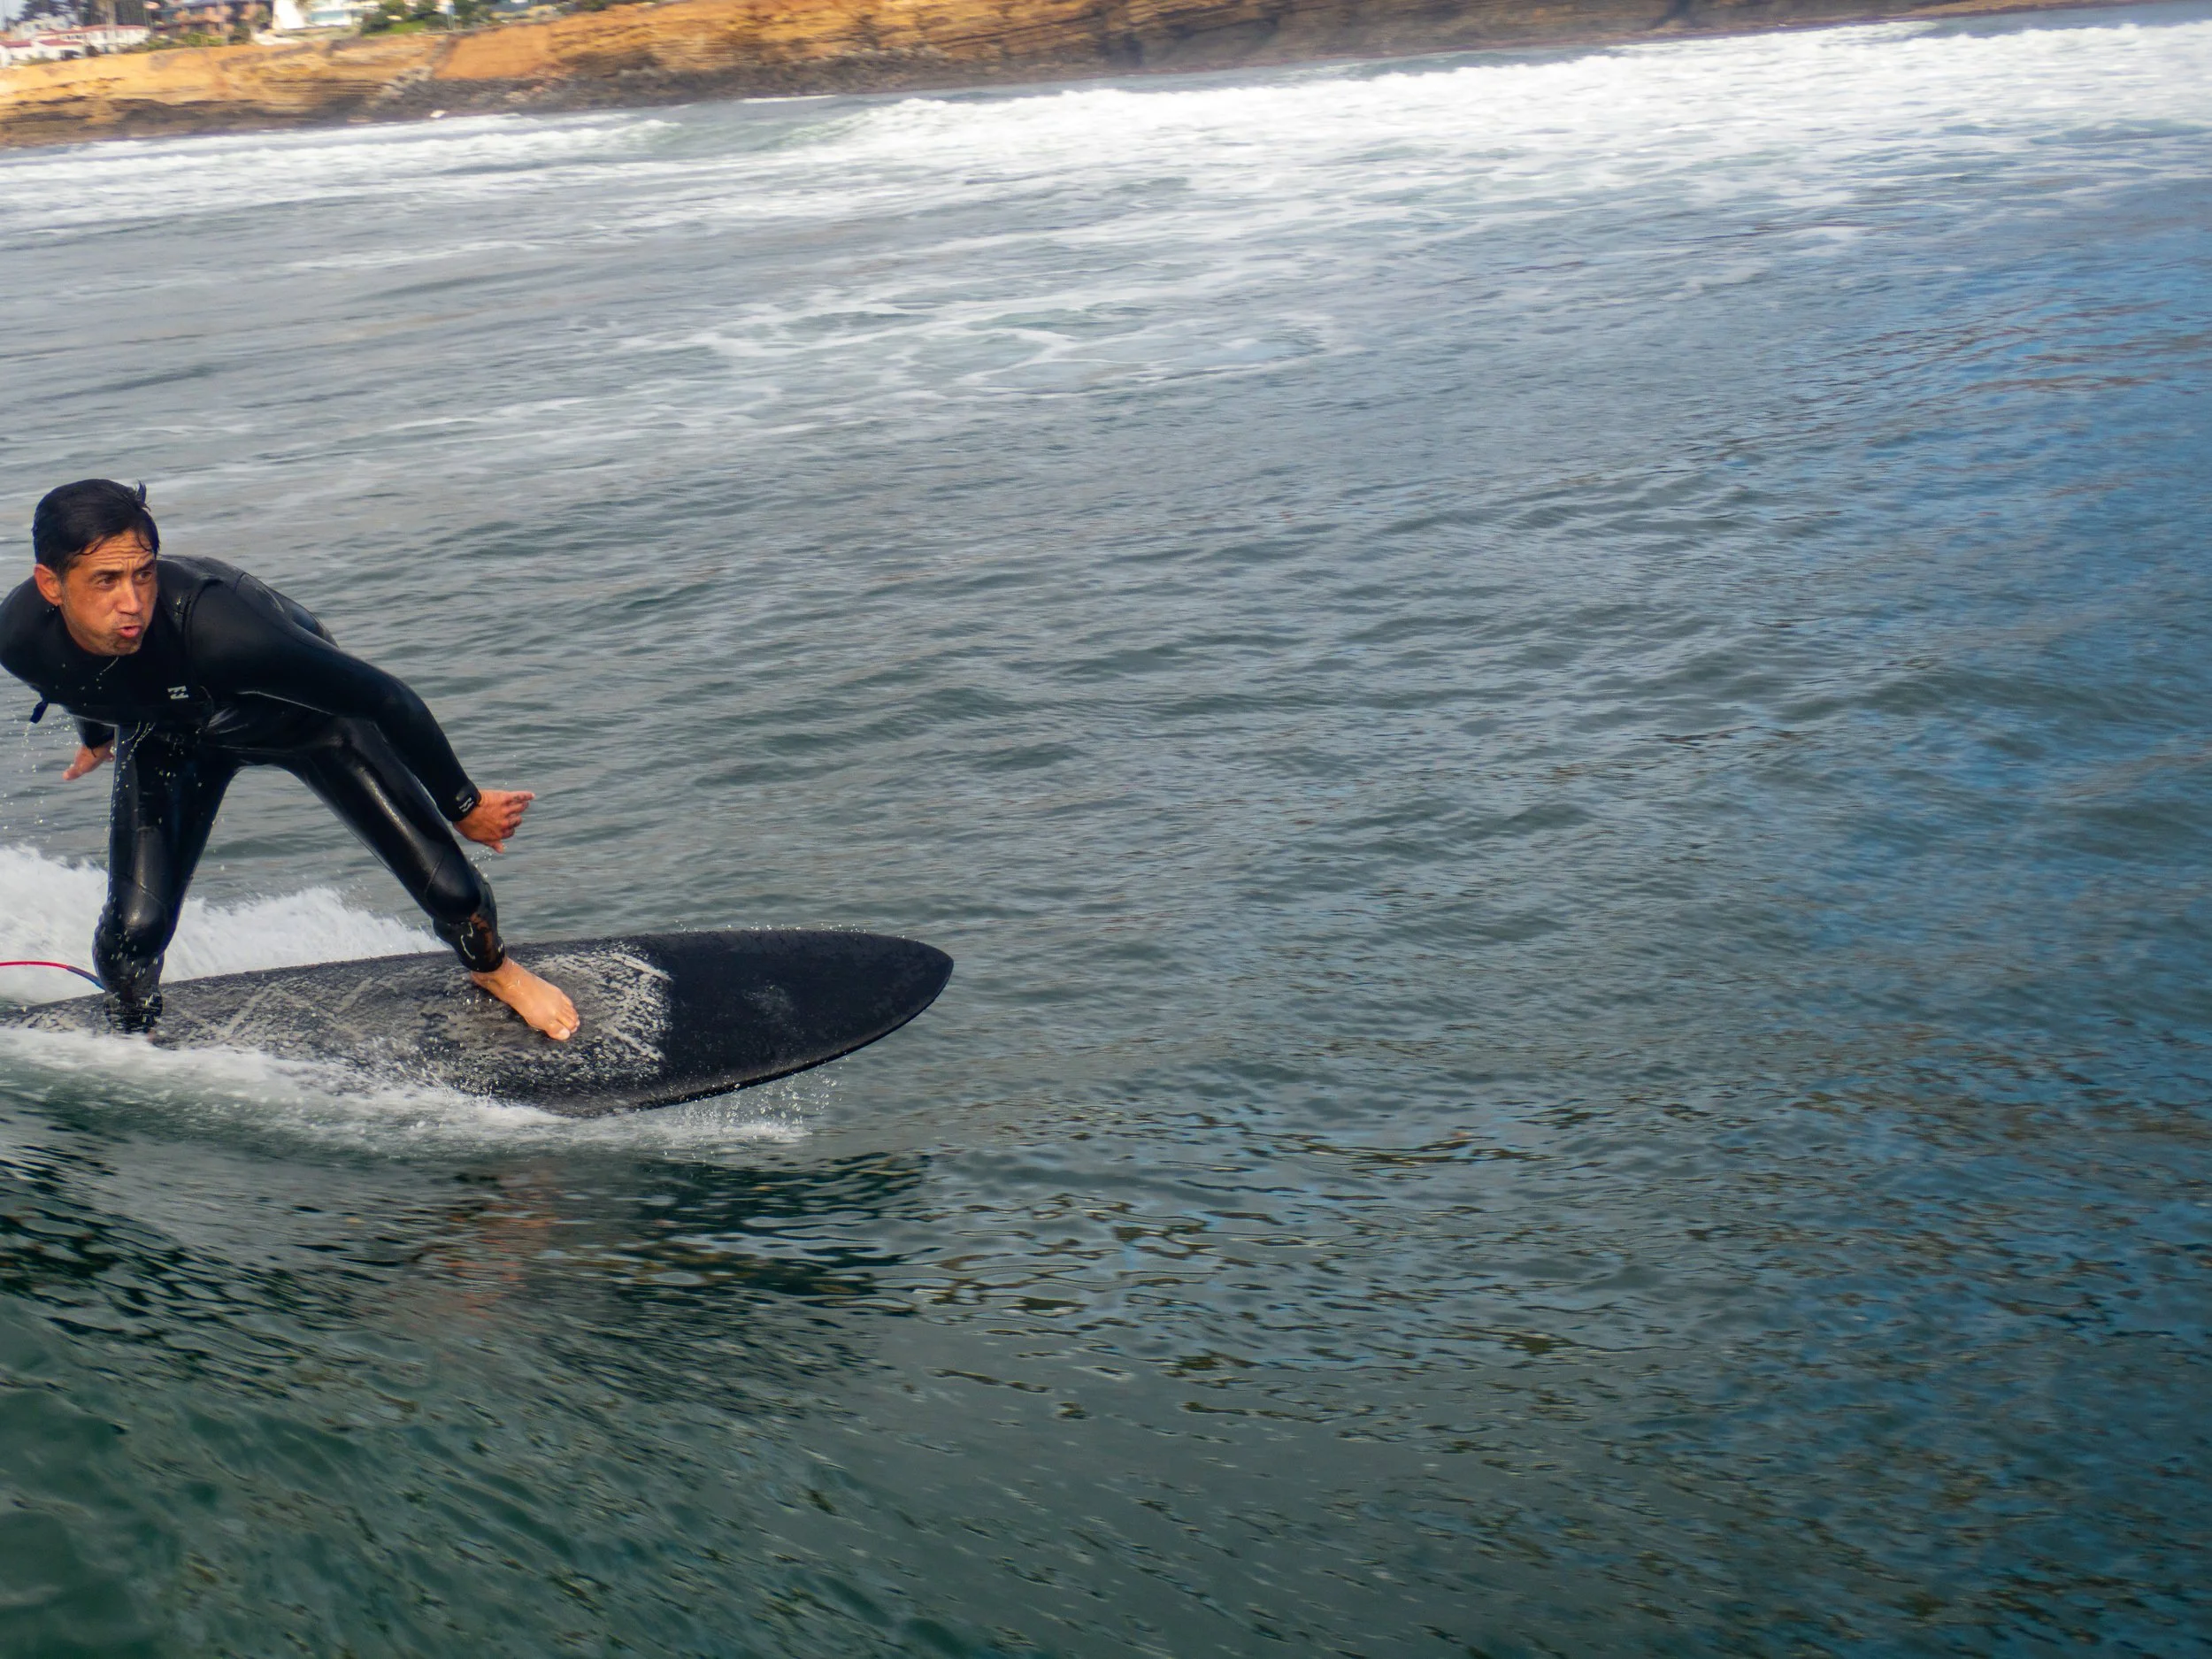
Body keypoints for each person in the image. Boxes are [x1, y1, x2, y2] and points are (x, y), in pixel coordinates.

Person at [0, 479, 579, 1041]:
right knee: (131, 937)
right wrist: (97, 734)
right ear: (52, 586)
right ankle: (135, 1032)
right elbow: (75, 678)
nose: (133, 602)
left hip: (312, 726)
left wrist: (465, 803)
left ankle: (495, 971)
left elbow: (385, 698)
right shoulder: (17, 637)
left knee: (454, 896)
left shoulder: (219, 630)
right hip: (172, 735)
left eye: (144, 573)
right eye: (106, 580)